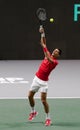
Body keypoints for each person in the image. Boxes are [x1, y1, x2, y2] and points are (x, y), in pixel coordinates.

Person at [28, 25, 62, 126]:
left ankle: (48, 118)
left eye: (56, 52)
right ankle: (33, 112)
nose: (54, 51)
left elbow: (47, 55)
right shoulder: (47, 54)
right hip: (36, 78)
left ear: (58, 55)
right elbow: (43, 43)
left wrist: (44, 46)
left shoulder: (55, 62)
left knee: (43, 101)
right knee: (30, 96)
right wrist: (42, 33)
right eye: (54, 50)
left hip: (43, 83)